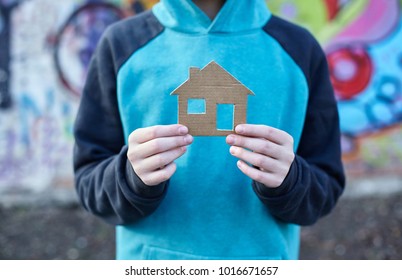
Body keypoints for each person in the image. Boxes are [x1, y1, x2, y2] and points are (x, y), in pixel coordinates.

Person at [73, 0, 345, 260]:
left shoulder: (299, 49)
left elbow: (326, 185)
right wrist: (129, 178)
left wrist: (291, 181)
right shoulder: (121, 45)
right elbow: (89, 180)